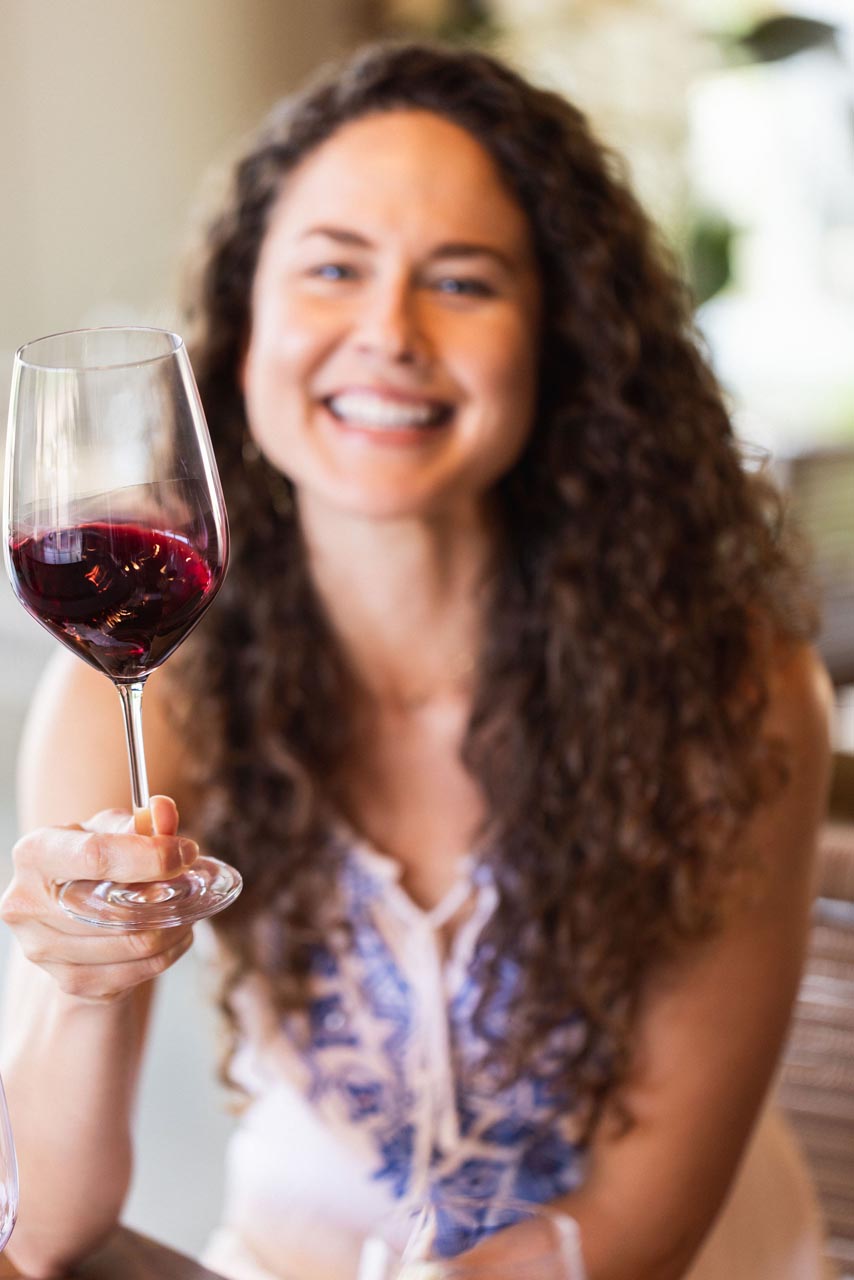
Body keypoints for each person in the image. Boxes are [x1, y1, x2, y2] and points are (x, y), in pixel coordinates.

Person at [0, 39, 834, 1280]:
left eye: (462, 282)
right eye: (333, 267)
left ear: (560, 344)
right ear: (244, 321)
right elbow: (47, 1231)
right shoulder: (144, 688)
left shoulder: (733, 691)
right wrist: (81, 984)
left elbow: (646, 1217)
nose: (385, 331)